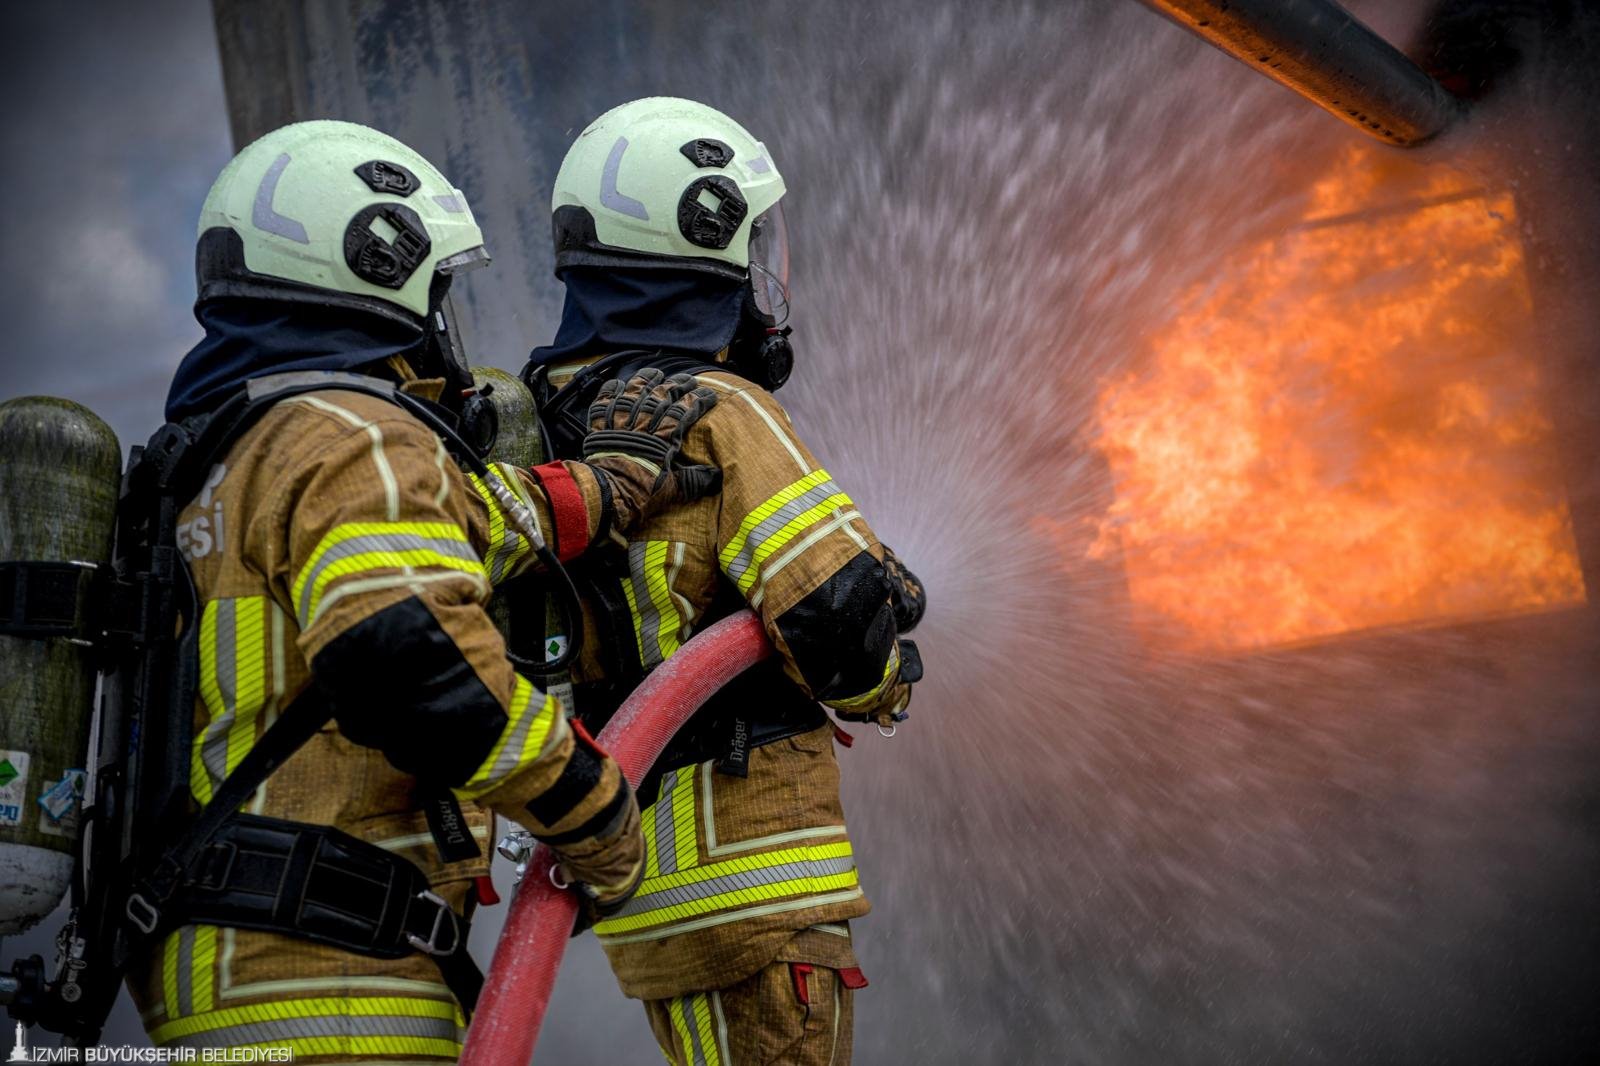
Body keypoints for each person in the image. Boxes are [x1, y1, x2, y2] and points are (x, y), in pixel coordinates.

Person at [127, 119, 718, 1063]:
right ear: (379, 266)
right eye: (438, 289)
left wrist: (603, 488)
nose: (442, 325)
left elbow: (455, 530)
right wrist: (592, 806)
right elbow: (410, 655)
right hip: (332, 987)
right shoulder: (357, 436)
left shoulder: (233, 453)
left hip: (230, 967)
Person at [523, 97, 926, 1065]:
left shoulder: (551, 417)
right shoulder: (718, 407)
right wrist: (892, 674)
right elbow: (841, 628)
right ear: (703, 246)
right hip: (756, 873)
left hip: (650, 884)